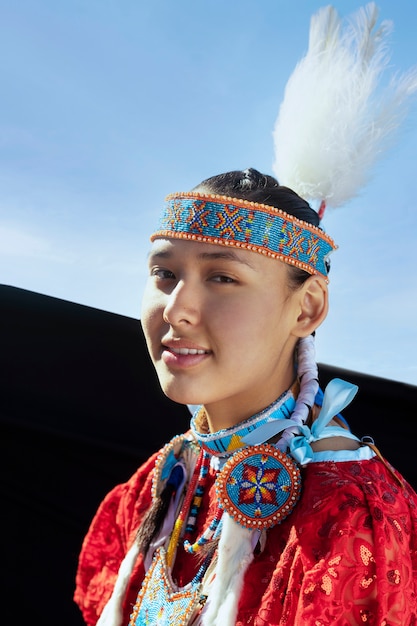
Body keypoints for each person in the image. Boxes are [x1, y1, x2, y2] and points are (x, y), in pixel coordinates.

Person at [74, 167, 417, 626]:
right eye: (164, 273)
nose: (176, 310)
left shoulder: (347, 511)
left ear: (307, 307)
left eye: (222, 277)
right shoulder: (164, 483)